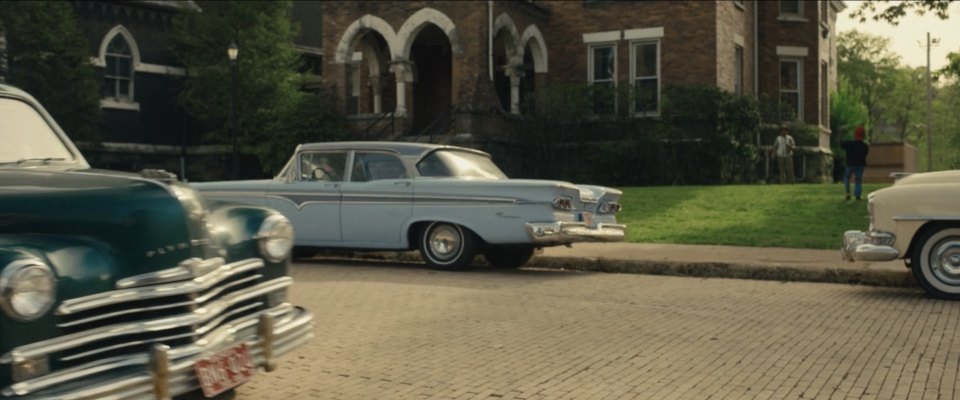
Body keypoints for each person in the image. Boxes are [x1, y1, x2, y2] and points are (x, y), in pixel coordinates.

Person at [841, 126, 869, 201]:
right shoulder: (865, 146)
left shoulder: (849, 144)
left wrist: (842, 133)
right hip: (860, 165)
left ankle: (848, 194)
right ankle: (857, 195)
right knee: (858, 180)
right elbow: (865, 154)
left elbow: (842, 144)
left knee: (847, 178)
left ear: (855, 135)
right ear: (863, 136)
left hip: (850, 164)